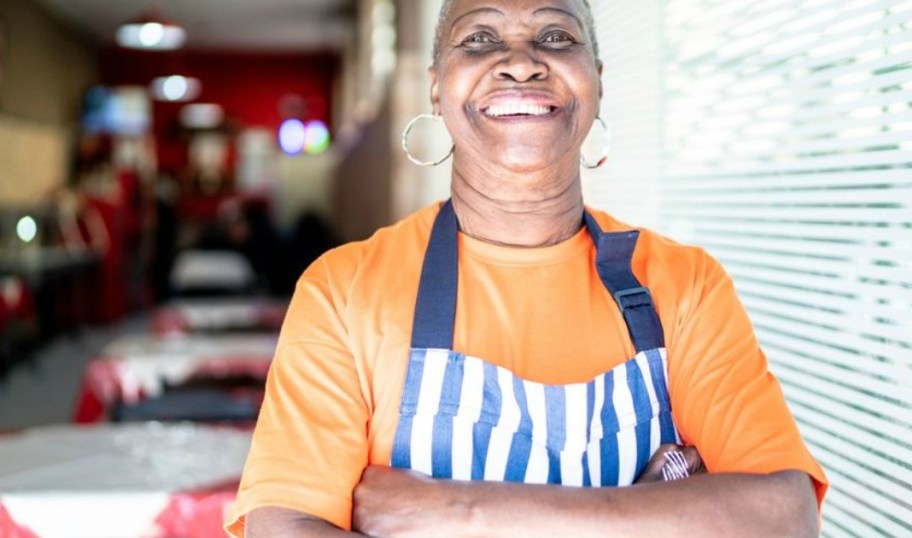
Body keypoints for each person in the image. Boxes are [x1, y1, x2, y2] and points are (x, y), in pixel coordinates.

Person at [227, 0, 828, 535]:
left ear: (597, 81)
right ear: (437, 88)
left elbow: (783, 517)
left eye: (558, 37)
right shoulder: (343, 291)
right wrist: (643, 514)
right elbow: (284, 525)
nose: (521, 63)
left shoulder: (685, 283)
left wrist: (456, 512)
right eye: (480, 39)